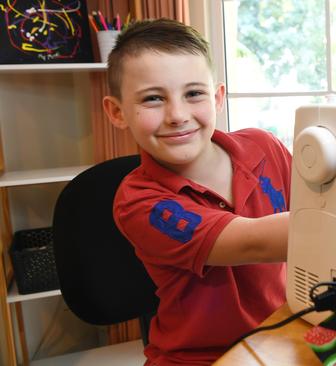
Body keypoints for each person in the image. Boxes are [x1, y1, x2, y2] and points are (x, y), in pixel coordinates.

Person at [102, 18, 291, 365]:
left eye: (193, 94)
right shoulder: (138, 202)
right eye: (153, 98)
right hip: (198, 358)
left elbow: (322, 204)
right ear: (117, 112)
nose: (177, 115)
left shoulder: (265, 147)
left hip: (282, 338)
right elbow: (254, 242)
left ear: (217, 97)